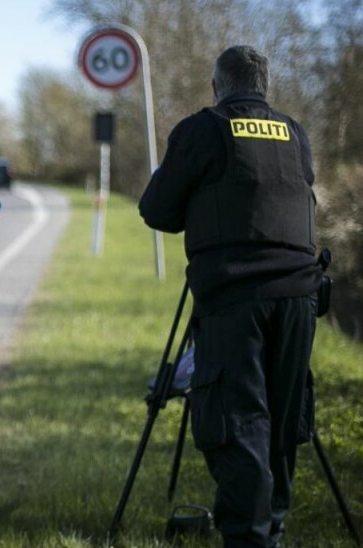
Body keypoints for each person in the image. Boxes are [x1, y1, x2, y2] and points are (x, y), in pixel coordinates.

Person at [139, 45, 322, 547]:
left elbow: (157, 210)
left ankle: (249, 537)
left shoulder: (202, 128)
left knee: (238, 421)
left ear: (217, 86)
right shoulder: (295, 133)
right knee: (282, 420)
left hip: (233, 299)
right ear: (263, 86)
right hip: (301, 297)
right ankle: (272, 529)